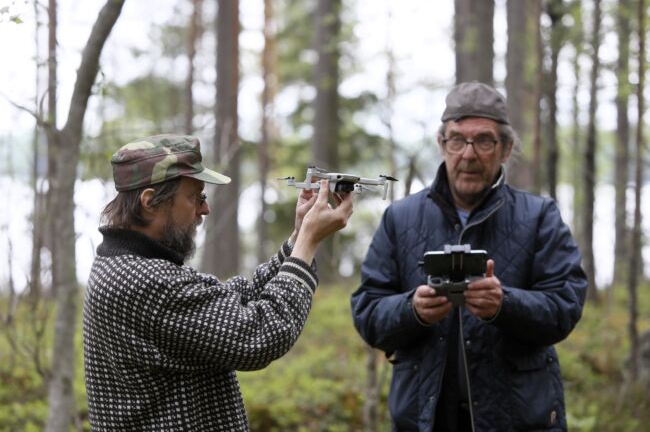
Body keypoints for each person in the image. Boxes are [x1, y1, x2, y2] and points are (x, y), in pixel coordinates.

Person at [350, 81, 587, 432]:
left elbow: (565, 307)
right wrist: (411, 311)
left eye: (485, 140)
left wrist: (504, 304)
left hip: (519, 419)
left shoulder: (539, 216)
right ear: (442, 144)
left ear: (506, 149)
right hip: (426, 418)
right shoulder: (400, 218)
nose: (469, 154)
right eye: (458, 140)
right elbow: (368, 312)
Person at [83, 134, 354, 431]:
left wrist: (298, 236)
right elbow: (262, 334)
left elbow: (235, 301)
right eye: (194, 196)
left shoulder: (129, 264)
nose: (204, 209)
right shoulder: (143, 280)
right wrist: (308, 242)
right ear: (150, 202)